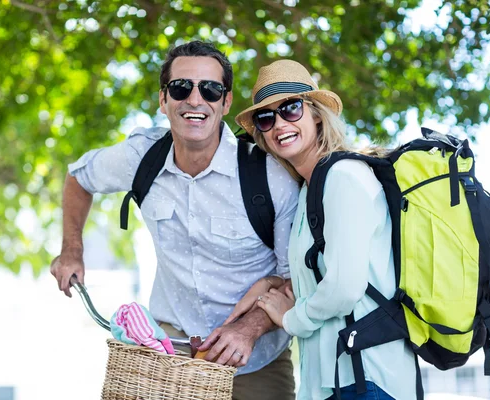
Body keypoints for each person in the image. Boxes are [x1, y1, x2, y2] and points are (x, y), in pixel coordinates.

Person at [50, 41, 299, 400]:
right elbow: (79, 178)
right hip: (170, 354)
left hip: (254, 361)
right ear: (163, 100)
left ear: (226, 102)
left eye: (210, 90)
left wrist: (249, 329)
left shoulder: (270, 175)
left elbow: (294, 280)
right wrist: (71, 249)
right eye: (182, 88)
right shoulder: (141, 156)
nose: (195, 100)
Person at [232, 59, 417, 399]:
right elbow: (320, 276)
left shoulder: (344, 177)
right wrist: (272, 285)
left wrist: (291, 320)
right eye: (266, 117)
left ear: (316, 113)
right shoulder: (309, 190)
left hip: (366, 380)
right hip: (334, 380)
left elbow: (344, 286)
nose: (279, 124)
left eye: (290, 108)